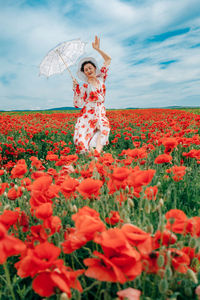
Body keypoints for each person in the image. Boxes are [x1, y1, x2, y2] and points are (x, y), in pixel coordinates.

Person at [72, 35, 111, 154]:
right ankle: (91, 153)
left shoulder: (101, 78)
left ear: (94, 68)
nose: (89, 70)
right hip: (88, 112)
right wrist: (75, 89)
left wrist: (97, 49)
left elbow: (108, 60)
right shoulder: (84, 86)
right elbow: (78, 103)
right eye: (86, 70)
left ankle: (97, 153)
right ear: (84, 73)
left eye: (90, 68)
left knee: (104, 129)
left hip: (100, 109)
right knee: (85, 135)